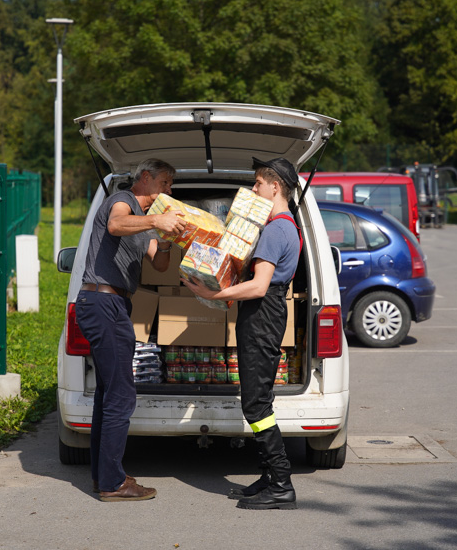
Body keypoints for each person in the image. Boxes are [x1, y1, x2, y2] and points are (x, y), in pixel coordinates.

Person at [182, 157, 302, 510]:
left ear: (274, 187)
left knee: (255, 404)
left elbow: (260, 286)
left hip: (263, 315)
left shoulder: (276, 229)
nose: (254, 190)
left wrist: (213, 294)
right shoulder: (283, 226)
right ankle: (268, 477)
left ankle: (281, 483)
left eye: (257, 184)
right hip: (264, 315)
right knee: (258, 398)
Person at [75, 158, 185, 501]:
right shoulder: (121, 201)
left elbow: (160, 262)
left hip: (116, 305)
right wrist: (156, 219)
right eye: (166, 183)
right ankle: (113, 483)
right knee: (122, 394)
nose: (169, 190)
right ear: (146, 178)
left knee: (109, 394)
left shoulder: (145, 224)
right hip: (101, 301)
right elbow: (115, 225)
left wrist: (166, 237)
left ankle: (103, 476)